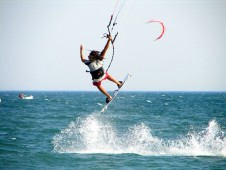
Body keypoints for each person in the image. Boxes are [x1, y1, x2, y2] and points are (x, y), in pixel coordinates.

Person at [80, 35, 122, 103]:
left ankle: (109, 96)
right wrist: (109, 40)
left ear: (93, 57)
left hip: (97, 78)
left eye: (89, 56)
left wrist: (81, 51)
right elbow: (105, 48)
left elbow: (82, 59)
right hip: (103, 74)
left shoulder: (88, 62)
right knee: (107, 75)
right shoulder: (100, 58)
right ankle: (119, 84)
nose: (88, 56)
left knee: (98, 85)